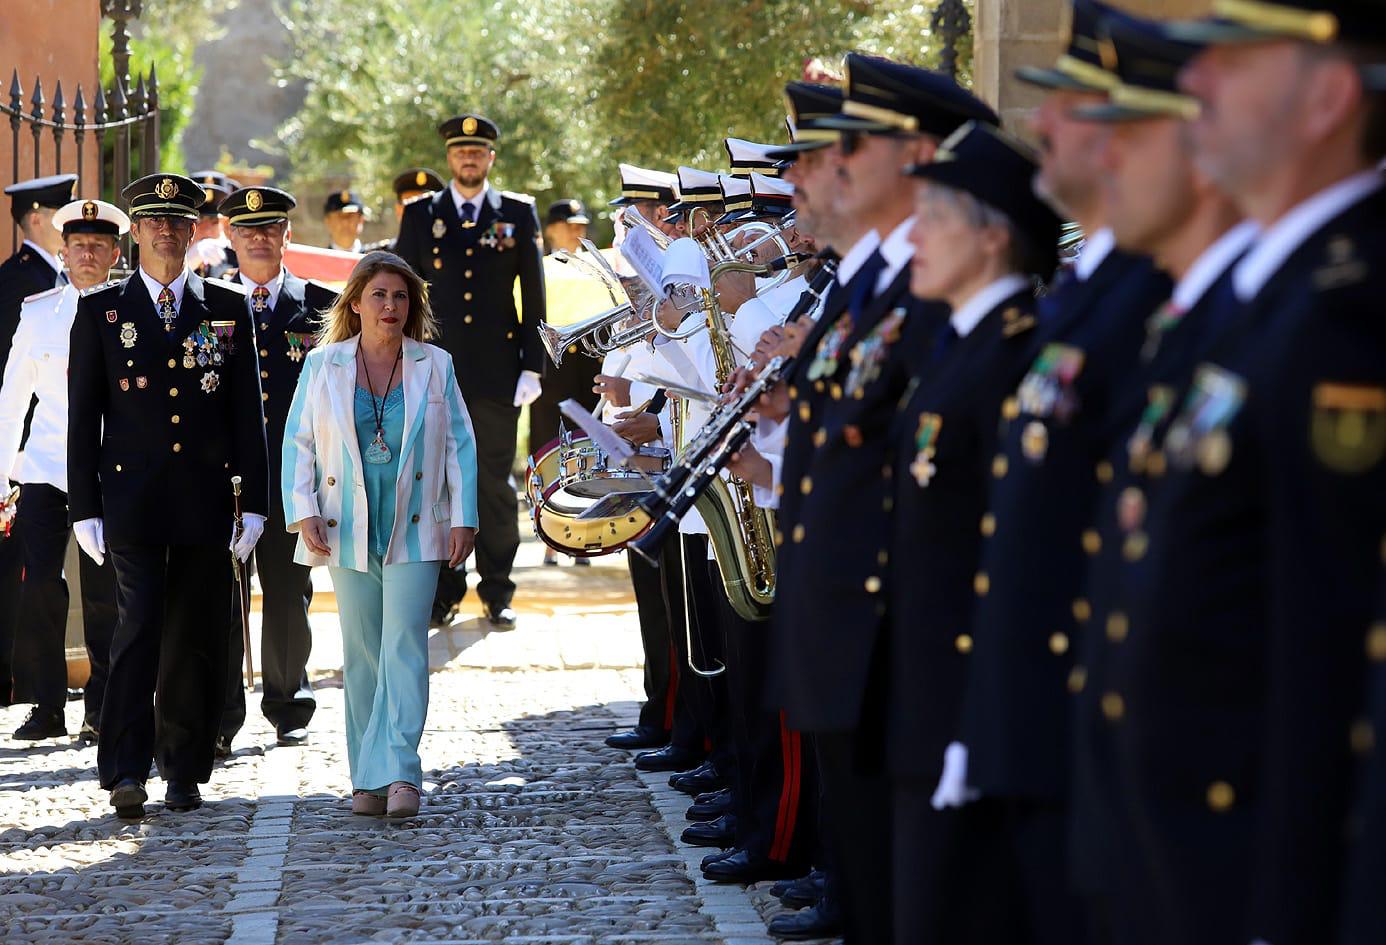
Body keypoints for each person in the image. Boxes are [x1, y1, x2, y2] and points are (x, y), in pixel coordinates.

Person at [1080, 4, 1386, 943]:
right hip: (1181, 847)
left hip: (1260, 870)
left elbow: (1336, 654)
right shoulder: (1268, 302)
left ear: (1329, 96)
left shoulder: (1350, 311)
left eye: (1230, 64)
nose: (1196, 85)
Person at [67, 172, 269, 818]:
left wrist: (257, 500)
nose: (165, 231)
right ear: (137, 232)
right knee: (139, 626)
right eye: (153, 221)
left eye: (177, 222)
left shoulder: (227, 308)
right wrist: (83, 506)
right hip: (130, 498)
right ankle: (126, 765)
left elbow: (247, 414)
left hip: (202, 499)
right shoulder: (102, 311)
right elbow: (83, 418)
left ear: (192, 231)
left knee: (193, 633)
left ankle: (183, 766)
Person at [281, 251, 478, 818]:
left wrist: (464, 515)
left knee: (404, 645)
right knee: (362, 652)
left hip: (417, 524)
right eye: (379, 296)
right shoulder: (323, 365)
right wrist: (304, 509)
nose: (390, 307)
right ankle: (365, 779)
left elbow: (461, 444)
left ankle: (401, 775)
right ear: (356, 303)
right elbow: (300, 443)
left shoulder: (435, 364)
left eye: (400, 296)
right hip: (346, 524)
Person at [394, 113, 545, 629]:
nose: (469, 159)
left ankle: (498, 590)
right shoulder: (421, 217)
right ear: (450, 159)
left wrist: (533, 366)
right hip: (433, 371)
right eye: (461, 152)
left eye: (477, 152)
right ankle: (443, 590)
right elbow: (402, 295)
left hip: (497, 372)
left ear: (490, 159)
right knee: (434, 484)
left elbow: (535, 297)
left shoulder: (518, 214)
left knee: (493, 487)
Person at [213, 185, 340, 756]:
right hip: (227, 479)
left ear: (288, 236)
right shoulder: (208, 302)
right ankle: (222, 709)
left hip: (295, 477)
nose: (259, 238)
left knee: (290, 594)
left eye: (270, 229)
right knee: (223, 595)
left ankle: (288, 703)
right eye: (247, 230)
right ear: (229, 237)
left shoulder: (322, 305)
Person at [0, 197, 125, 742]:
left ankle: (101, 706)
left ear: (116, 252)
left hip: (106, 471)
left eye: (99, 246)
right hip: (46, 468)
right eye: (79, 246)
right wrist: (4, 475)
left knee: (103, 592)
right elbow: (12, 398)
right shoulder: (38, 312)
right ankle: (47, 704)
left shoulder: (128, 313)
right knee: (41, 587)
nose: (88, 255)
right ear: (63, 252)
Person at [0, 173, 76, 707]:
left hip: (66, 452)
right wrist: (13, 459)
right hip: (36, 454)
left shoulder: (54, 278)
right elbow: (12, 382)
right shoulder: (22, 282)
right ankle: (32, 687)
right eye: (60, 214)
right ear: (35, 219)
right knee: (34, 576)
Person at [363, 169, 446, 251]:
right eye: (410, 205)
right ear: (398, 209)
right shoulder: (381, 257)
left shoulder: (450, 252)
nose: (416, 211)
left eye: (423, 205)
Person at [187, 170, 238, 277]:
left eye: (214, 221)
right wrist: (186, 265)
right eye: (198, 221)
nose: (207, 230)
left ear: (224, 223)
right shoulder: (170, 256)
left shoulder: (237, 257)